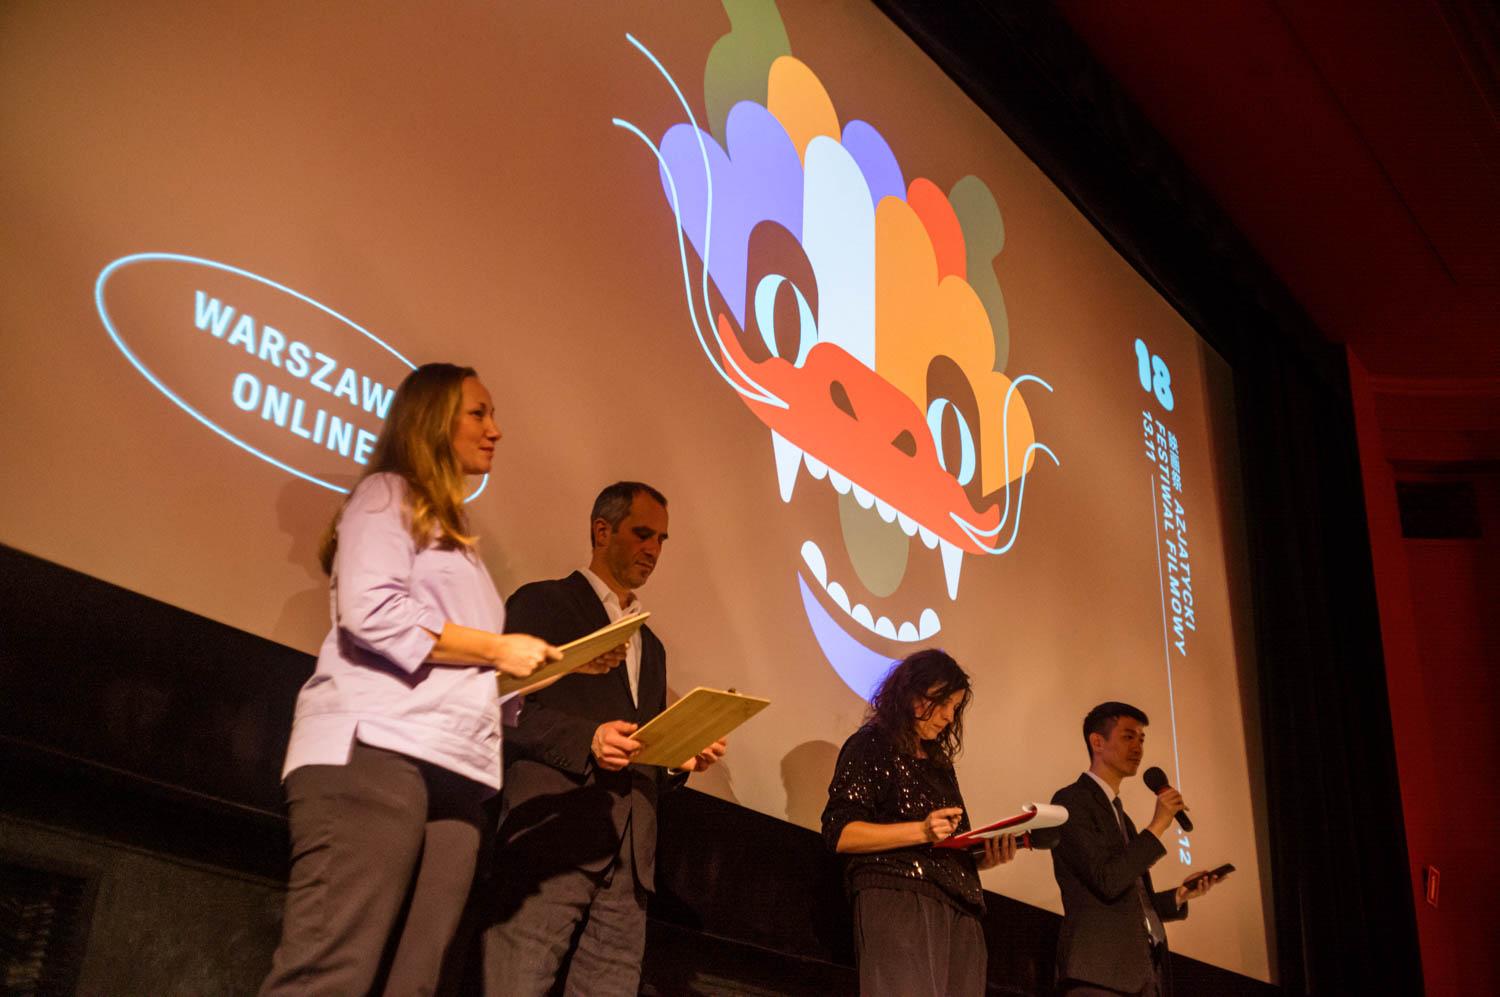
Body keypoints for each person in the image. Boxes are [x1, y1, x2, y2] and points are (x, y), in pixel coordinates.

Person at [261, 363, 585, 996]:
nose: (496, 429)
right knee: (331, 973)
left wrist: (538, 672)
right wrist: (496, 647)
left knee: (415, 983)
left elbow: (459, 668)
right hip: (375, 754)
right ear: (434, 420)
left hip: (456, 777)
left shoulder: (461, 542)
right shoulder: (387, 494)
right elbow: (371, 611)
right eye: (479, 413)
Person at [481, 481, 725, 997]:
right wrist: (588, 740)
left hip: (631, 857)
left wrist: (680, 756)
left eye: (661, 539)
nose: (653, 550)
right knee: (516, 981)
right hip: (554, 832)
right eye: (642, 534)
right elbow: (501, 709)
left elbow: (641, 746)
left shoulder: (650, 644)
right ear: (601, 530)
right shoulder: (544, 602)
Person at [821, 649, 1018, 997]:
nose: (947, 716)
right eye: (941, 702)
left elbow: (949, 842)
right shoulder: (871, 744)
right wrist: (921, 830)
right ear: (910, 692)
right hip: (898, 896)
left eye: (954, 707)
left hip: (960, 909)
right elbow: (841, 833)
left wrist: (987, 855)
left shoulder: (940, 766)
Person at [1049, 702, 1221, 996]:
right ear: (1097, 742)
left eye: (1142, 739)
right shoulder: (1071, 801)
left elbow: (1129, 896)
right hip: (1099, 974)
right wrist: (1158, 824)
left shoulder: (1121, 816)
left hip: (1143, 977)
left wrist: (1179, 896)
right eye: (1129, 737)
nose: (1138, 748)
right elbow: (1108, 880)